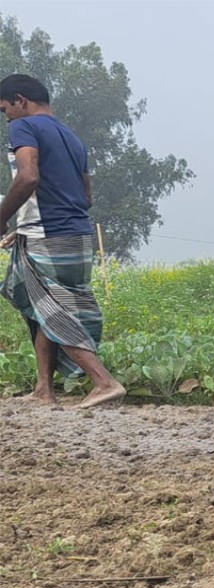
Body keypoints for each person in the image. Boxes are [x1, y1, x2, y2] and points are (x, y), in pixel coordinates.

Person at [0, 74, 127, 407]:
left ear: (20, 100)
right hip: (76, 234)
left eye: (5, 109)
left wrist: (2, 218)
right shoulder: (72, 137)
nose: (6, 117)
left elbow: (28, 176)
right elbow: (84, 196)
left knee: (56, 311)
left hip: (49, 236)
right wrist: (24, 226)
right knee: (44, 304)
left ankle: (103, 382)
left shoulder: (23, 128)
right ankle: (44, 390)